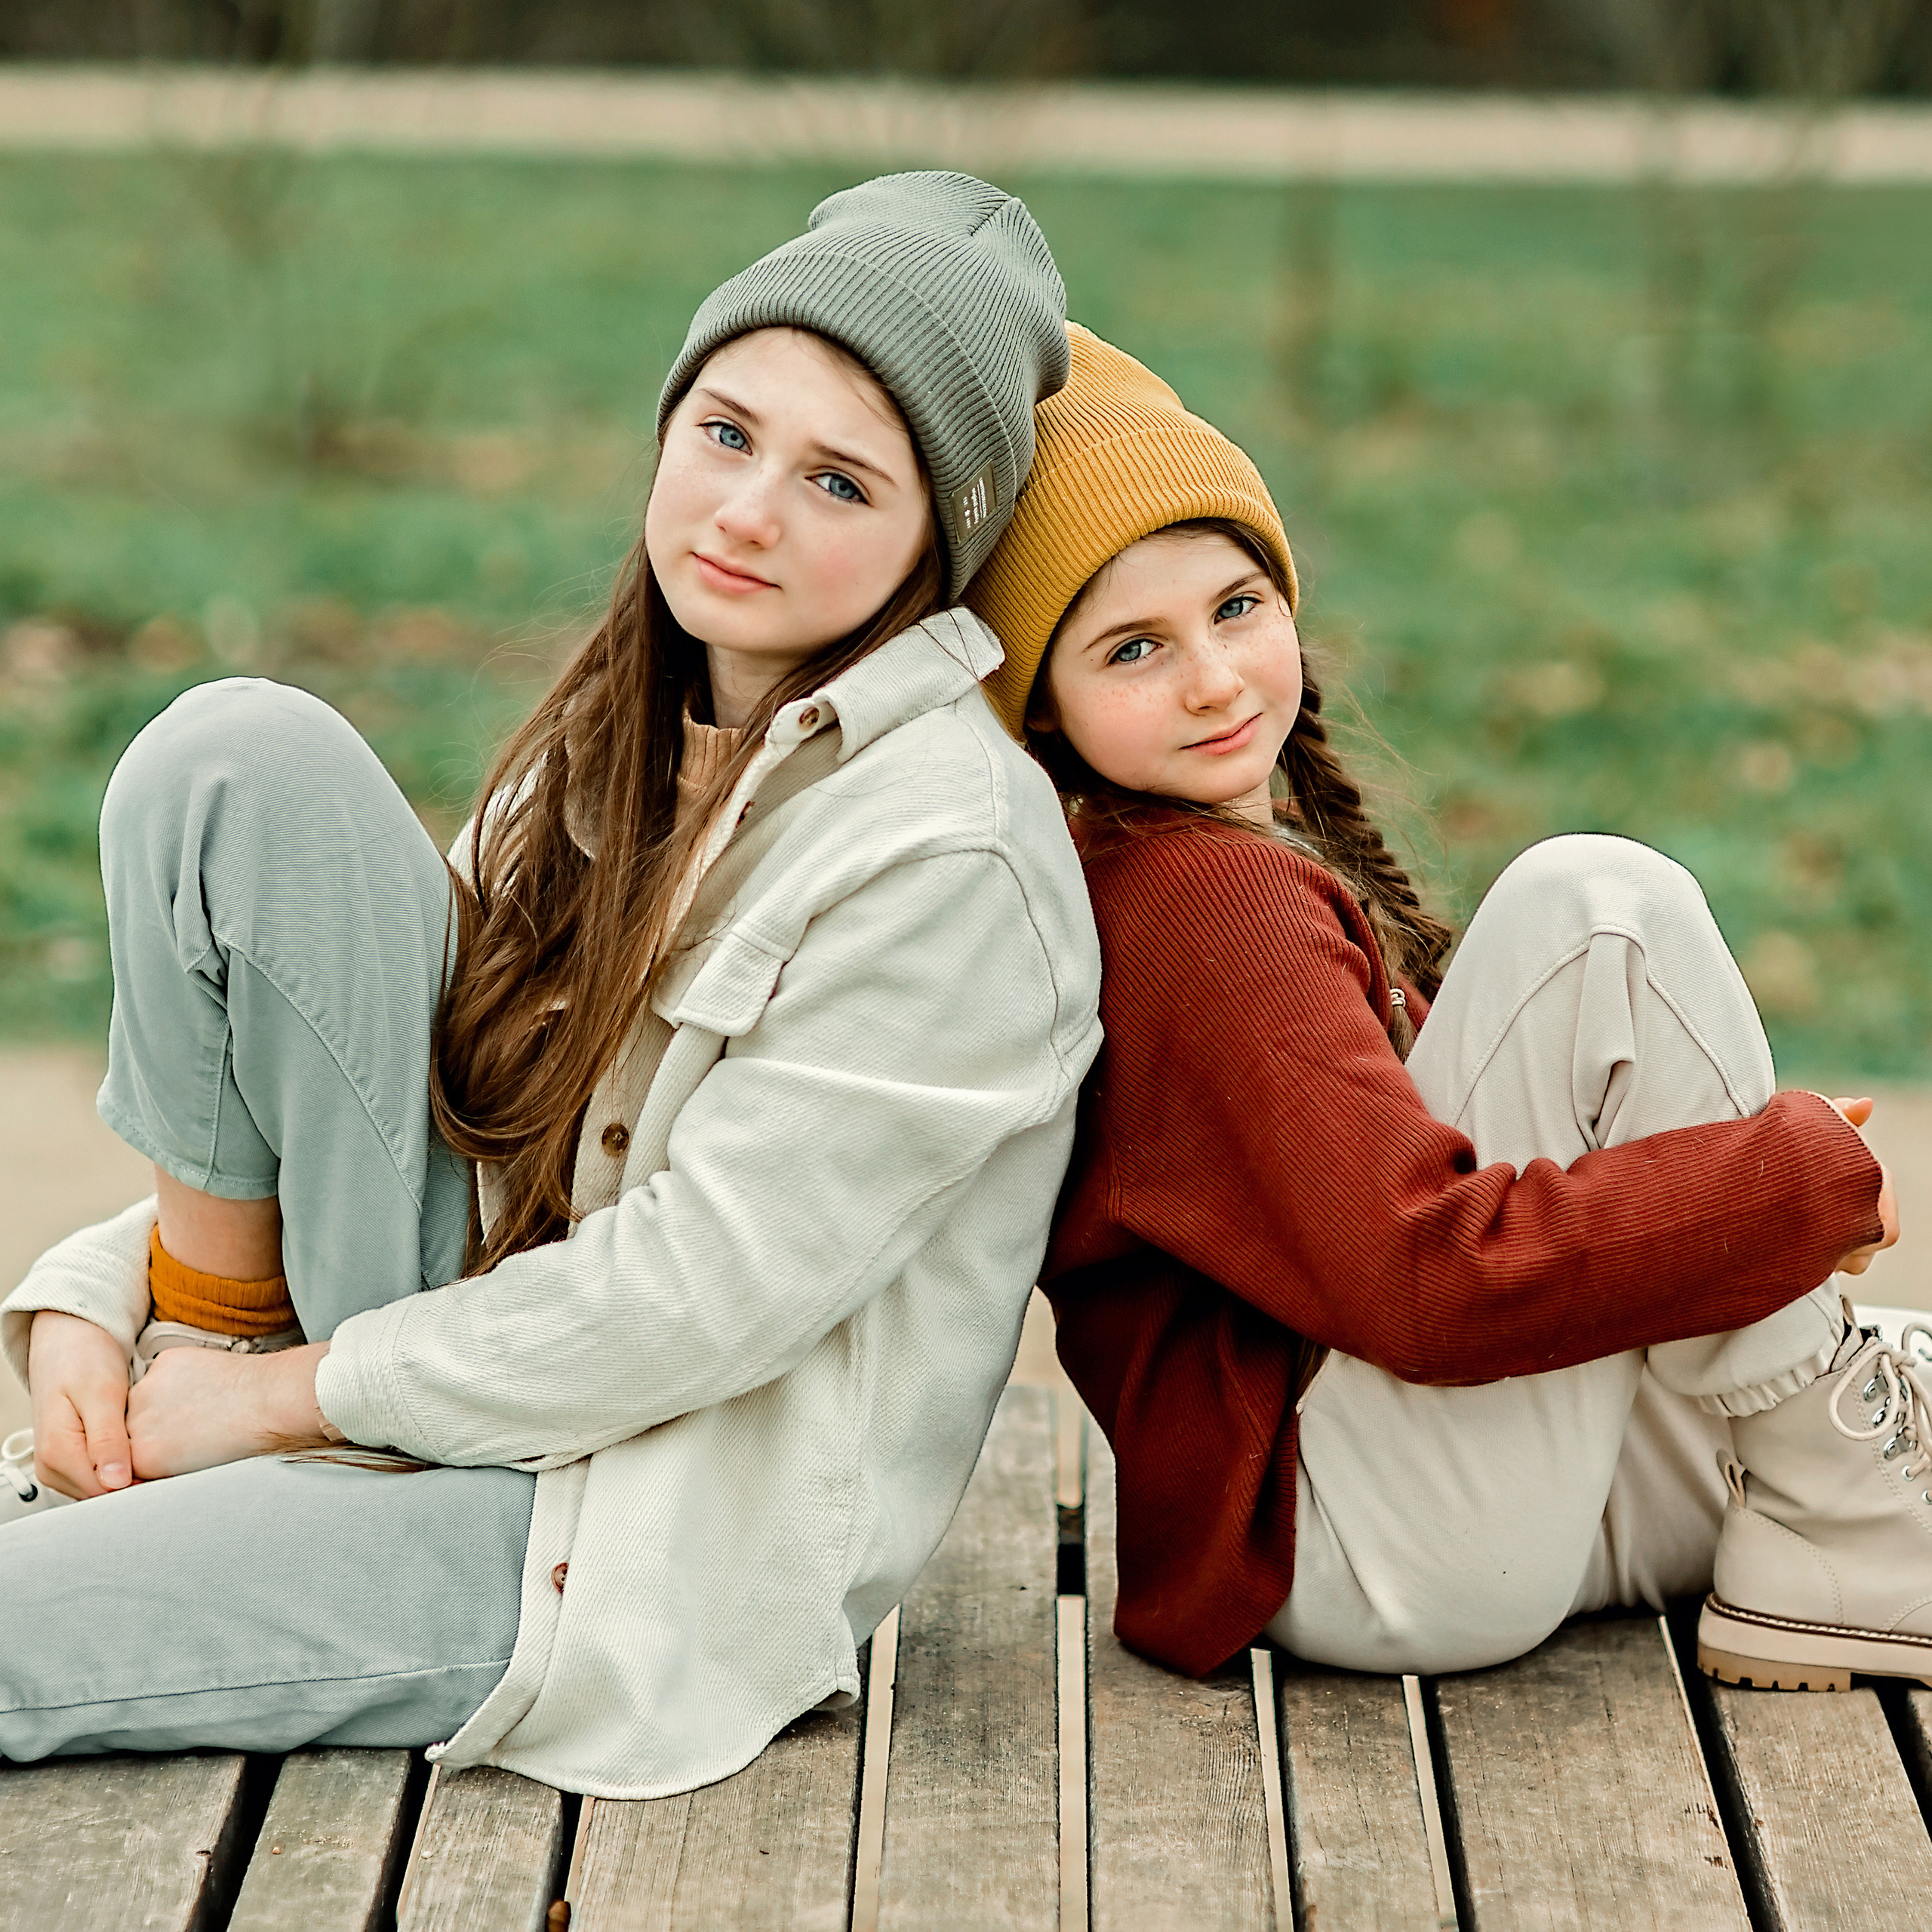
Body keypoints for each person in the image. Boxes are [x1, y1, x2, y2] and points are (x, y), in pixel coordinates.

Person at [0, 173, 1103, 1798]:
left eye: (838, 482)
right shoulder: (617, 737)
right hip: (427, 1340)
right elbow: (354, 1062)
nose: (744, 512)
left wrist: (272, 1404)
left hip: (608, 1532)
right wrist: (117, 1301)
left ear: (937, 538)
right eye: (725, 432)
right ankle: (203, 1380)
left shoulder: (950, 862)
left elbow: (689, 1299)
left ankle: (221, 1454)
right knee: (235, 757)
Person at [964, 321, 1918, 1694]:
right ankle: (1849, 1511)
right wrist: (1782, 1180)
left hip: (1422, 1517)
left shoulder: (1197, 871)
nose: (1214, 676)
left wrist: (1754, 1210)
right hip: (1365, 1540)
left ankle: (1840, 1480)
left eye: (1237, 606)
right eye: (1131, 649)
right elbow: (1428, 1287)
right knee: (1597, 910)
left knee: (1898, 1371)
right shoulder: (1196, 910)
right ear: (1042, 710)